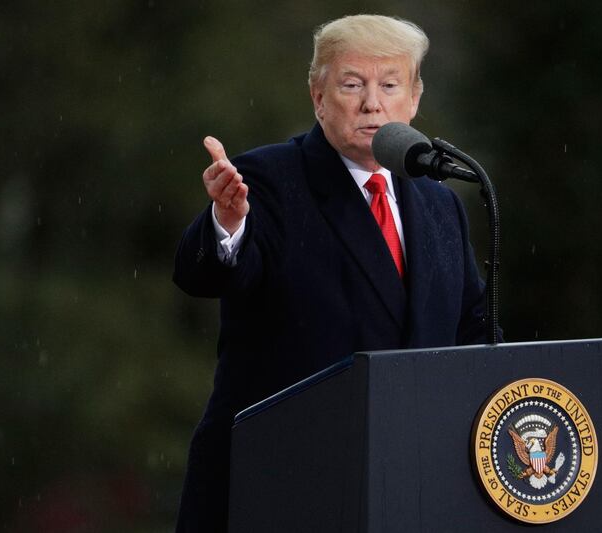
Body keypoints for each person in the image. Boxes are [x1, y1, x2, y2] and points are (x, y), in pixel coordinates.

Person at [173, 14, 490, 532]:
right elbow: (204, 275)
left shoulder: (439, 203)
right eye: (352, 85)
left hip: (410, 485)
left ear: (413, 100)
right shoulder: (269, 179)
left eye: (390, 85)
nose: (373, 103)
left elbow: (472, 329)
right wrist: (226, 222)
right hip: (285, 481)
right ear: (318, 96)